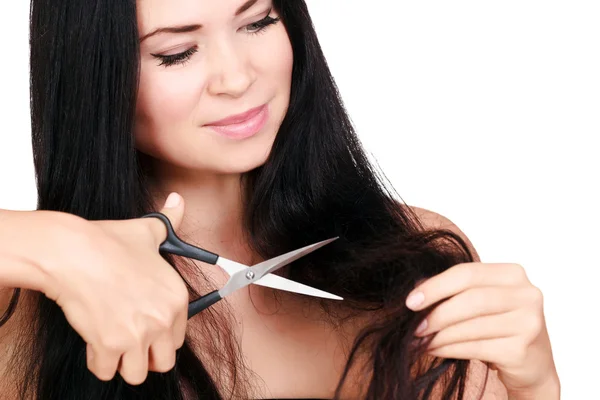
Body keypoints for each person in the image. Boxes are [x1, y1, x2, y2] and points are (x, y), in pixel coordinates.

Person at [0, 0, 560, 398]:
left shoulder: (412, 255)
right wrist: (58, 243)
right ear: (94, 74)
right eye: (177, 52)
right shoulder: (24, 298)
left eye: (259, 20)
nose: (239, 77)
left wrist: (536, 386)